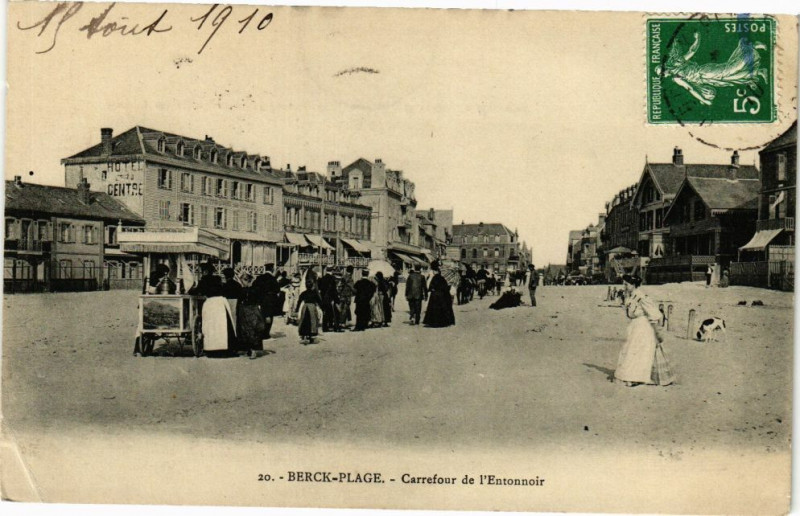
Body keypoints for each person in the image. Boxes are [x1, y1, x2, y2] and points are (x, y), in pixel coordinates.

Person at [614, 274, 675, 387]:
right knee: (632, 350)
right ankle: (632, 376)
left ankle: (636, 377)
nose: (625, 286)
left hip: (643, 327)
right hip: (635, 326)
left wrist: (656, 331)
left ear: (633, 285)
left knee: (638, 351)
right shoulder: (631, 296)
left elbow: (654, 313)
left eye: (626, 284)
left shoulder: (641, 297)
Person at [190, 262, 234, 354]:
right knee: (223, 325)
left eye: (202, 271)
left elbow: (197, 291)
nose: (201, 273)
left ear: (205, 271)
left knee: (211, 326)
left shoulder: (203, 281)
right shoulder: (217, 279)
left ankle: (212, 349)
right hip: (221, 302)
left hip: (211, 303)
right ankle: (225, 348)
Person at [236, 285, 267, 358]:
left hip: (250, 311)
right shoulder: (247, 290)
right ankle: (250, 349)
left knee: (251, 330)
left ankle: (253, 350)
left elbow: (239, 302)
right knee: (248, 330)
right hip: (248, 311)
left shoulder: (251, 290)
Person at [250, 264, 281, 339]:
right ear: (272, 269)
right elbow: (277, 289)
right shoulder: (273, 279)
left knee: (262, 315)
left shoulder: (260, 278)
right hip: (270, 299)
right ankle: (266, 333)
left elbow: (254, 287)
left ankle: (261, 332)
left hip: (261, 298)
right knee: (269, 315)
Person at [423, 260, 455, 327]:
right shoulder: (442, 278)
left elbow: (431, 286)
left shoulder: (434, 278)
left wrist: (431, 290)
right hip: (442, 295)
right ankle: (443, 322)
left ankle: (434, 322)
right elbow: (445, 287)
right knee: (442, 308)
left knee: (434, 309)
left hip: (435, 295)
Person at [296, 277, 323, 344]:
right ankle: (311, 336)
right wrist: (322, 308)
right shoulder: (314, 293)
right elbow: (319, 301)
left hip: (305, 307)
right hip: (312, 307)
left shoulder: (303, 293)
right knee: (312, 321)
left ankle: (304, 335)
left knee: (304, 320)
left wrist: (297, 309)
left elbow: (299, 301)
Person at [318, 268, 340, 332]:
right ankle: (331, 325)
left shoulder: (322, 278)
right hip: (330, 298)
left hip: (323, 298)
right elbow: (334, 290)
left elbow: (320, 289)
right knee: (332, 312)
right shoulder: (332, 279)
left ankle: (324, 327)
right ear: (332, 271)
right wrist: (336, 300)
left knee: (325, 312)